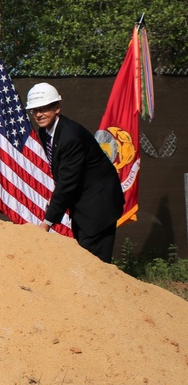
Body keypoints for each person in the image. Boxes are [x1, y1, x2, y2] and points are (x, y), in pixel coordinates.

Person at [26, 83, 124, 262]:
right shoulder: (46, 131)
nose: (38, 114)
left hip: (99, 205)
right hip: (82, 203)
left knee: (95, 262)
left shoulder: (70, 137)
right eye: (34, 110)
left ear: (57, 108)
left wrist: (47, 223)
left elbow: (68, 182)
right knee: (85, 256)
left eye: (44, 109)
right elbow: (64, 173)